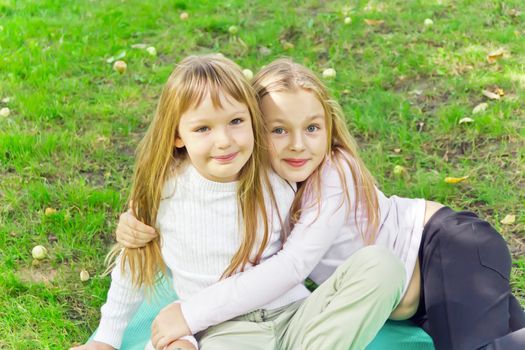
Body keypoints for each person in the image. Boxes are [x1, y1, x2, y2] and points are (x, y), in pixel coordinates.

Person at [118, 58, 525, 350]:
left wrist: (189, 314)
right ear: (256, 130)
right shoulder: (259, 173)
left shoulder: (334, 173)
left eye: (312, 128)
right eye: (278, 130)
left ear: (328, 127)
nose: (297, 144)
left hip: (444, 247)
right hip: (409, 301)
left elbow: (294, 263)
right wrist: (135, 219)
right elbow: (202, 170)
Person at [72, 54, 406, 350]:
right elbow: (135, 264)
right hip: (228, 331)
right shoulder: (164, 190)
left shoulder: (276, 176)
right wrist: (106, 338)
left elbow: (295, 260)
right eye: (203, 128)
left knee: (382, 265)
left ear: (253, 121)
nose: (224, 141)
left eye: (236, 121)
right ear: (177, 136)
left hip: (296, 316)